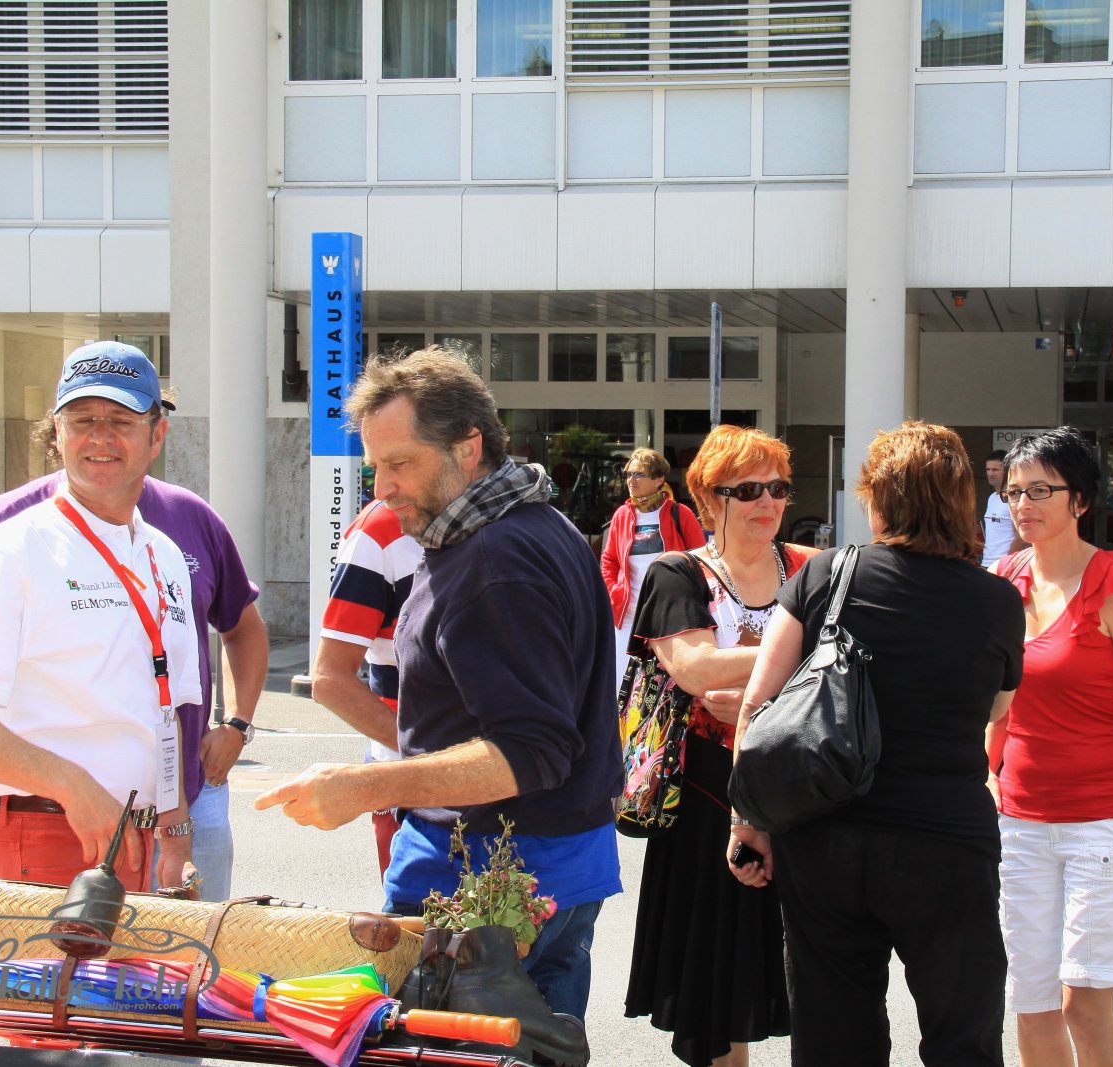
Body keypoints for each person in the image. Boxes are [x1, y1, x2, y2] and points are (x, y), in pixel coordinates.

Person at [257, 346, 623, 1022]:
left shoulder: (494, 557)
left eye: (401, 464)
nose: (383, 488)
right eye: (375, 467)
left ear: (468, 447)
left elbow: (532, 752)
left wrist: (365, 786)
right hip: (543, 866)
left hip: (495, 883)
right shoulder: (521, 526)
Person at [0, 343, 267, 902]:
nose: (100, 437)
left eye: (120, 421)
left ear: (156, 435)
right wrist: (70, 783)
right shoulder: (9, 547)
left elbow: (168, 709)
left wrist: (175, 835)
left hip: (144, 840)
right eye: (82, 421)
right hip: (49, 832)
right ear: (57, 433)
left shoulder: (164, 552)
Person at [732, 422, 1023, 1067]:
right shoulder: (997, 600)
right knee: (963, 1032)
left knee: (835, 1033)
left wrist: (748, 821)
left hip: (824, 833)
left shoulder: (826, 574)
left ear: (879, 499)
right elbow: (997, 708)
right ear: (960, 501)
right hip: (945, 841)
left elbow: (757, 707)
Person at [986, 427, 1113, 1066]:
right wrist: (985, 775)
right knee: (1032, 1002)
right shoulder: (1005, 580)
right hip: (1020, 823)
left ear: (1080, 500)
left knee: (1085, 1005)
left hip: (1107, 824)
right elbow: (998, 702)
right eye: (1014, 492)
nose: (1024, 504)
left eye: (1041, 491)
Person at [624, 424, 815, 1067]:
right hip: (708, 800)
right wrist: (801, 662)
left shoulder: (813, 568)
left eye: (779, 488)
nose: (769, 502)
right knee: (716, 996)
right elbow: (696, 670)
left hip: (803, 795)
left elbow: (857, 657)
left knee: (819, 983)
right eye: (748, 490)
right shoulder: (679, 573)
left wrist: (762, 686)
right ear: (707, 499)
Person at [311, 496, 423, 879]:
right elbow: (330, 679)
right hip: (411, 783)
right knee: (424, 917)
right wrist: (431, 758)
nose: (383, 485)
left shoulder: (503, 517)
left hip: (500, 781)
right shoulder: (379, 529)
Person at [599, 447, 705, 684]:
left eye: (639, 474)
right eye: (629, 474)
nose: (631, 480)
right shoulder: (622, 515)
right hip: (628, 615)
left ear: (658, 479)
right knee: (621, 683)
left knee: (664, 684)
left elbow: (701, 560)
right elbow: (609, 561)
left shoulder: (680, 513)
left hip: (669, 615)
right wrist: (614, 593)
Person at [981, 448, 1018, 566]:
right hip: (986, 563)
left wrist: (1007, 563)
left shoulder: (1013, 498)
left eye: (995, 470)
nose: (990, 474)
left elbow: (1021, 537)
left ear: (1006, 471)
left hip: (1004, 565)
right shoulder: (992, 498)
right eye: (988, 469)